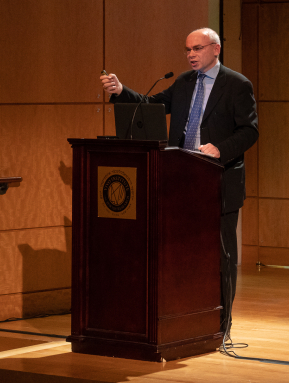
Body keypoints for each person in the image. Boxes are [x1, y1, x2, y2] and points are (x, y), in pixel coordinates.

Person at [100, 28, 259, 340]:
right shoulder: (185, 82)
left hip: (219, 179)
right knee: (183, 254)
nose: (190, 55)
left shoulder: (237, 84)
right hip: (181, 179)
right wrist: (120, 91)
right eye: (187, 49)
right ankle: (188, 319)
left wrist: (220, 149)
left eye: (197, 48)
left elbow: (249, 130)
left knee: (221, 256)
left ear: (216, 49)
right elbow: (150, 105)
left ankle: (221, 325)